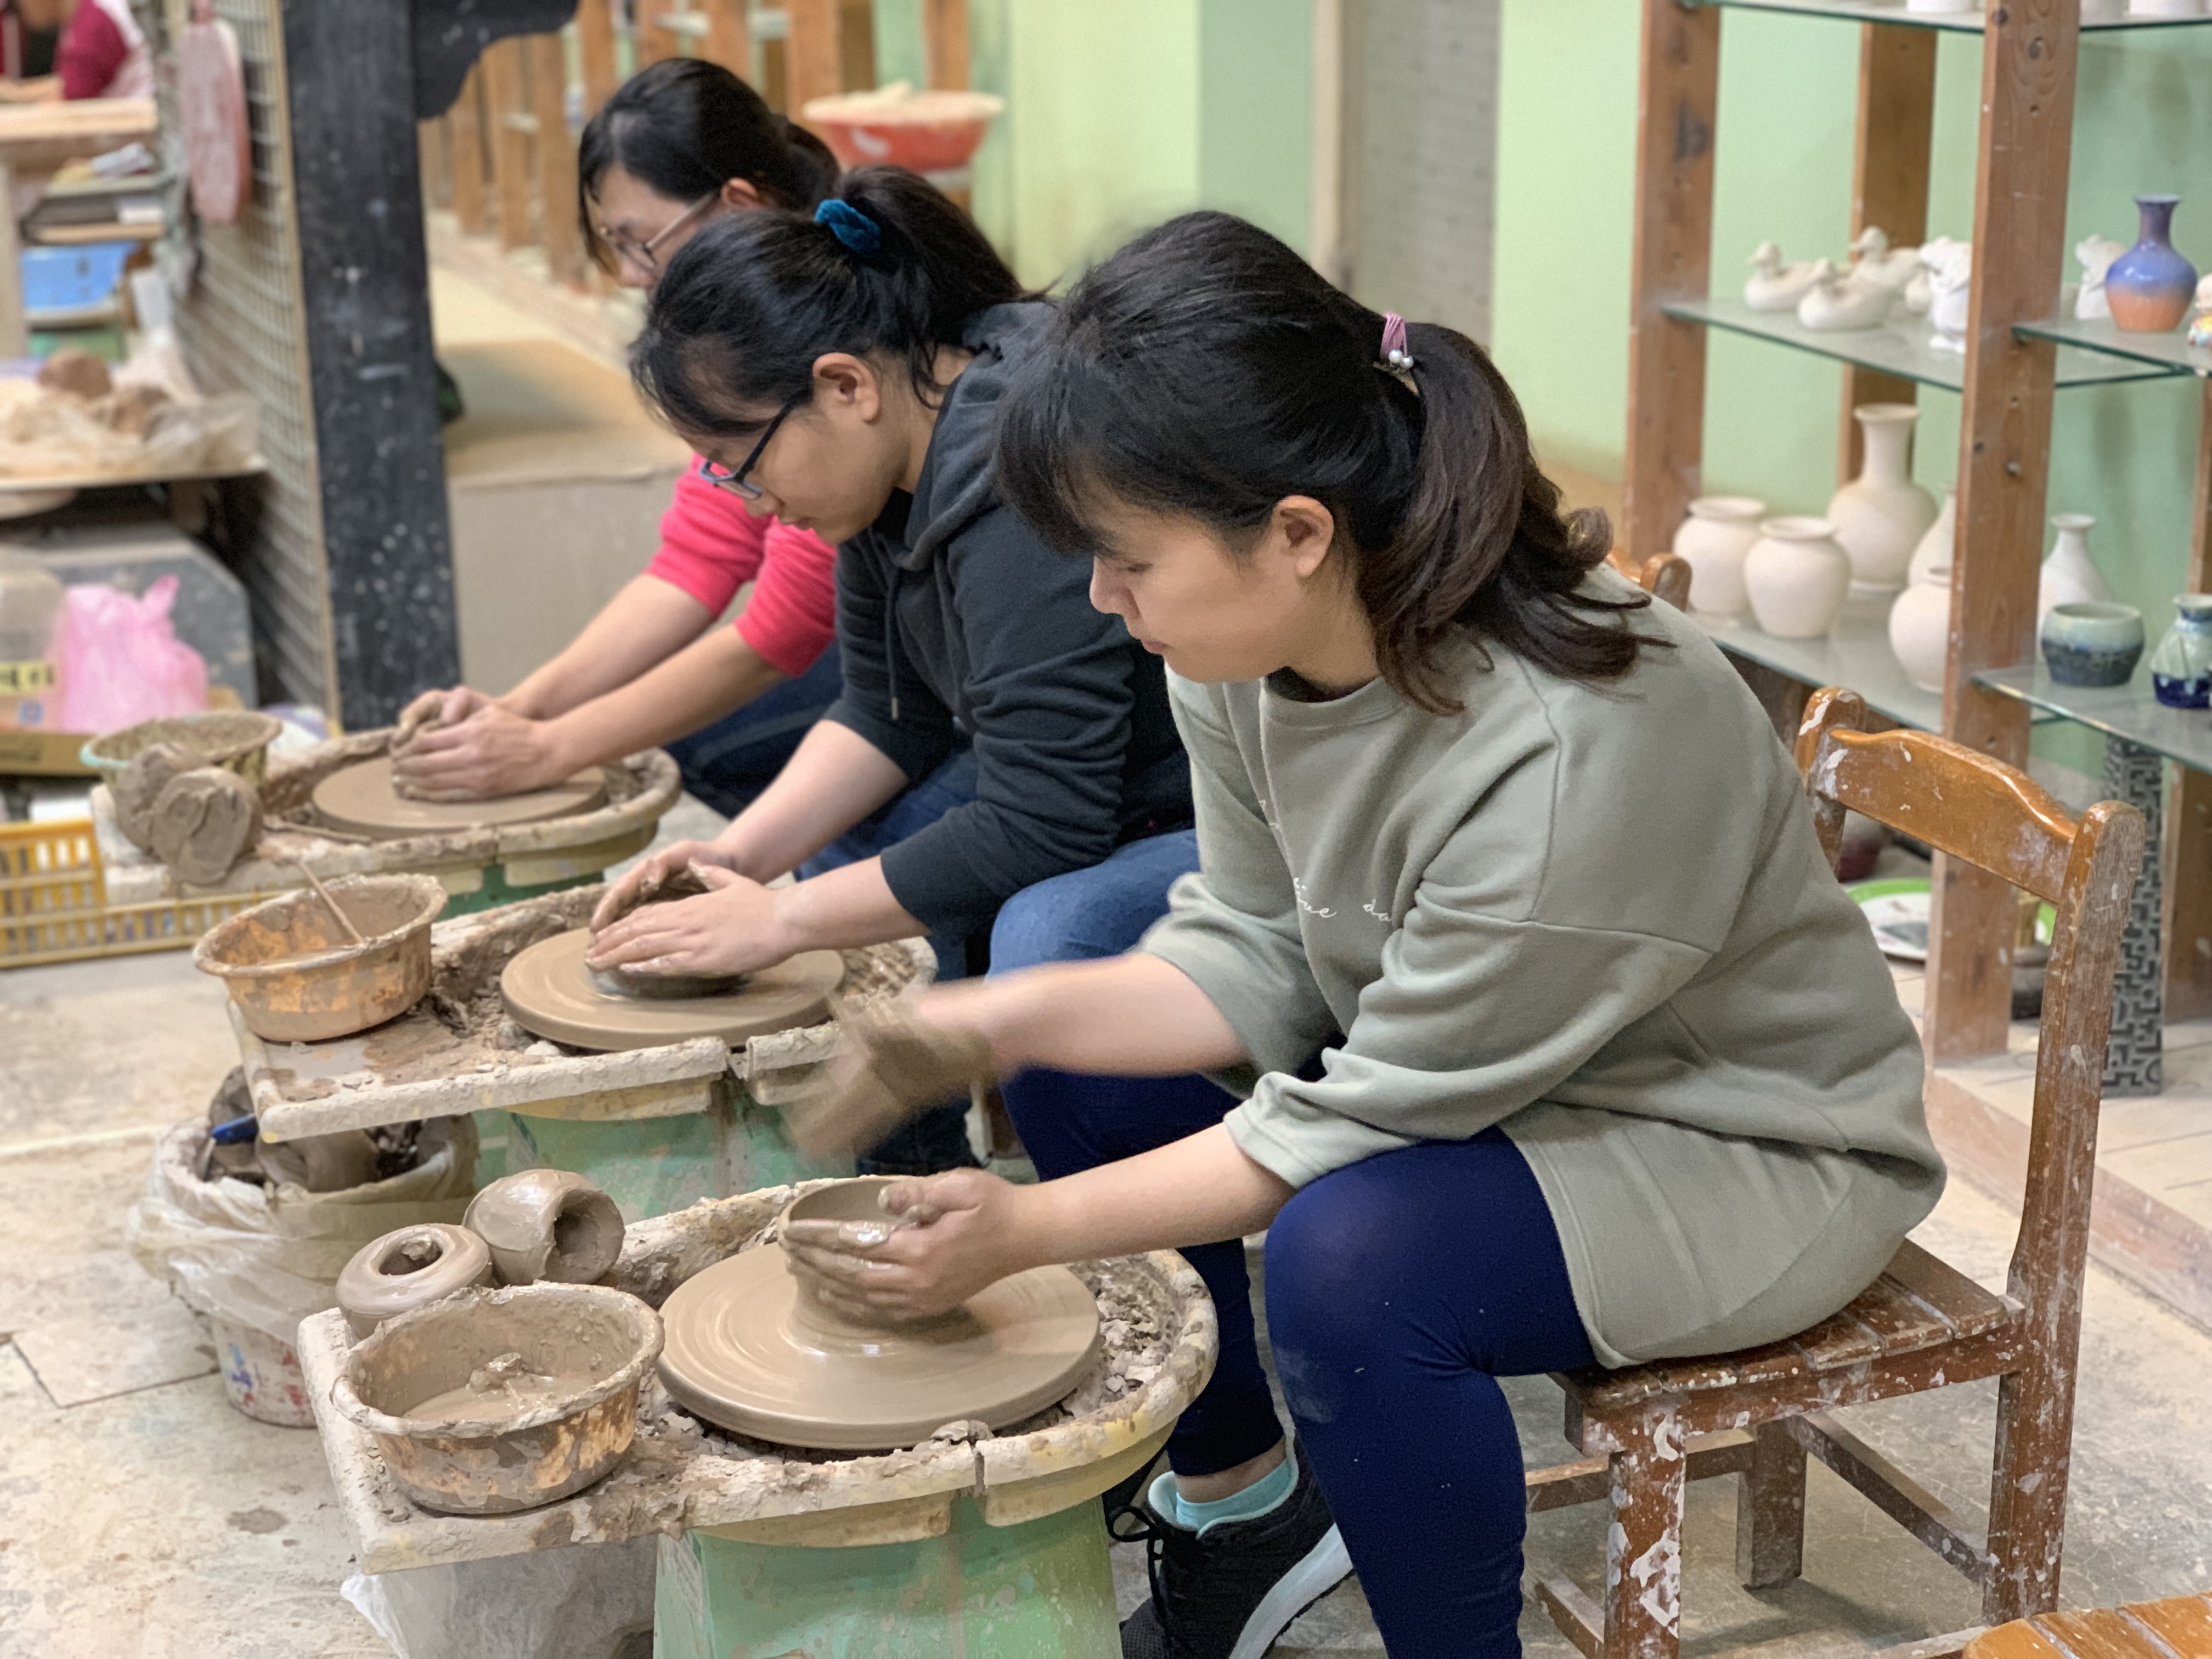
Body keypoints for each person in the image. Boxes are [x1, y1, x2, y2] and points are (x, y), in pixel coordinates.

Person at [771, 212, 1946, 1659]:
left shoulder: (1567, 750)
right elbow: (1254, 945)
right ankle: (1241, 1500)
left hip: (1734, 1141)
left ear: (1296, 533)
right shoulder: (1246, 645)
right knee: (1066, 1035)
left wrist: (1020, 1233)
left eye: (1126, 559)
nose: (1100, 598)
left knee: (1353, 1266)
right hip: (1487, 1079)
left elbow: (1350, 1127)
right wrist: (983, 1026)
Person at [586, 166, 1203, 1178]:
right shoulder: (884, 473)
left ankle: (1108, 1230)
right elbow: (887, 713)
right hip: (1100, 789)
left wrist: (781, 919)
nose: (752, 503)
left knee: (1038, 933)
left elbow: (1043, 823)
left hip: (1201, 806)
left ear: (846, 387)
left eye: (745, 462)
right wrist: (738, 859)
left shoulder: (1018, 476)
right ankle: (912, 1190)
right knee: (846, 860)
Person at [393, 60, 845, 820]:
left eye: (643, 242)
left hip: (966, 668)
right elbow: (701, 556)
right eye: (616, 246)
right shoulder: (740, 327)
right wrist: (521, 709)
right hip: (887, 643)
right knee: (671, 750)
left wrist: (547, 749)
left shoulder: (831, 316)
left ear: (738, 205)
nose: (634, 276)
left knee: (712, 762)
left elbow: (787, 625)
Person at [0, 0, 148, 101]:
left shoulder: (92, 25)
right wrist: (15, 93)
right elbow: (68, 82)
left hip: (134, 129)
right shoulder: (88, 11)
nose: (21, 14)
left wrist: (14, 97)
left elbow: (69, 100)